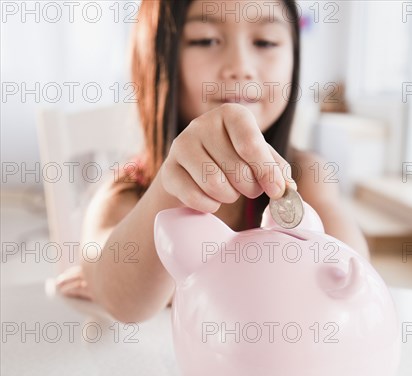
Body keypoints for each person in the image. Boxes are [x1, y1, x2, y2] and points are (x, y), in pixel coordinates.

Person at [55, 0, 370, 322]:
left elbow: (357, 285)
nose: (240, 66)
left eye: (265, 42)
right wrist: (171, 188)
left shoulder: (307, 176)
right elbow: (120, 301)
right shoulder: (127, 189)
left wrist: (185, 289)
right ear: (158, 59)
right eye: (205, 40)